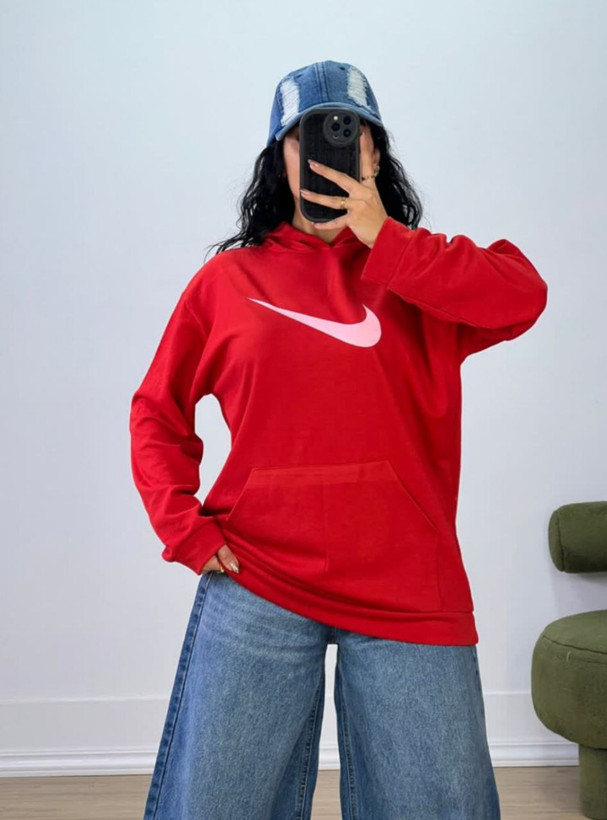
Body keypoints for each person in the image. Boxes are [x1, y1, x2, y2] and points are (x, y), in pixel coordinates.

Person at [130, 60, 548, 819]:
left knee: (442, 806)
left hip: (406, 586)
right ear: (280, 157)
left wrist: (387, 240)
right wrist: (182, 526)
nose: (326, 149)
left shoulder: (418, 274)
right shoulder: (227, 283)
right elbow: (157, 410)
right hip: (257, 574)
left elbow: (523, 295)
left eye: (347, 132)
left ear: (374, 153)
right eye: (304, 136)